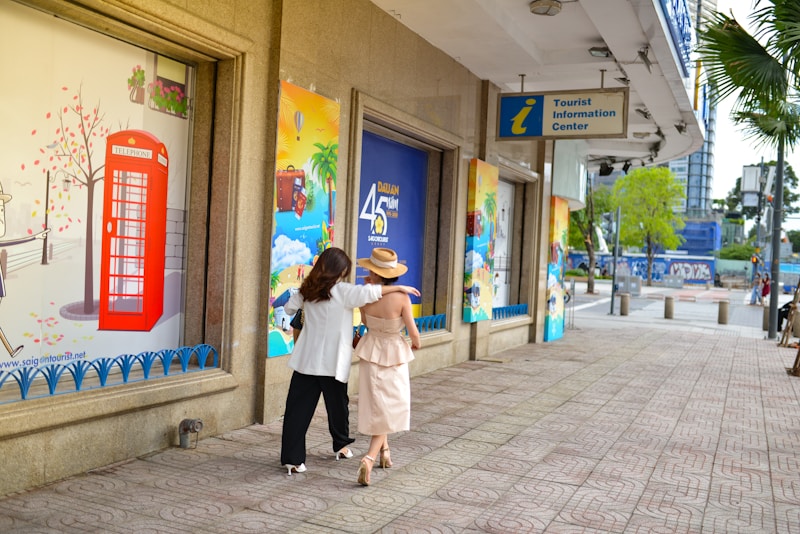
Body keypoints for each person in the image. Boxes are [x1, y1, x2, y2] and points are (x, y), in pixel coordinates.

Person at [280, 247, 420, 475]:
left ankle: (292, 460)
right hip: (334, 362)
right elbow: (374, 292)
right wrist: (399, 287)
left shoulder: (307, 291)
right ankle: (341, 446)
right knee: (338, 407)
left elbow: (288, 308)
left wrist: (306, 299)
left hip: (306, 360)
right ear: (338, 271)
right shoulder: (344, 291)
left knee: (297, 411)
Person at [353, 248, 421, 486]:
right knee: (391, 407)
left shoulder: (365, 295)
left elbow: (363, 321)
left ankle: (386, 453)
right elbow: (413, 332)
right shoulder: (402, 297)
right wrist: (416, 343)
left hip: (371, 348)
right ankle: (369, 458)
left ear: (374, 272)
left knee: (378, 405)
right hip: (394, 351)